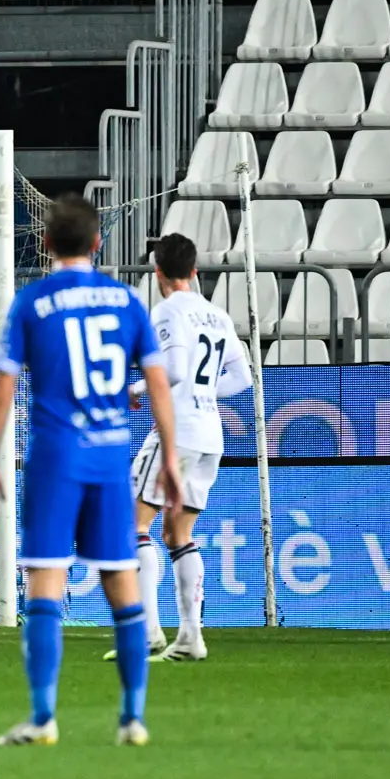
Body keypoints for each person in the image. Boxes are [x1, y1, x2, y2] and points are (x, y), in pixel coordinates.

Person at [0, 194, 183, 747]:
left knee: (45, 580)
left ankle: (43, 718)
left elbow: (2, 390)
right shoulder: (127, 301)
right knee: (121, 580)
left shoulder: (31, 302)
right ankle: (132, 719)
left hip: (56, 457)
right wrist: (169, 457)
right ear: (98, 243)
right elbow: (158, 384)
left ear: (46, 243)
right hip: (111, 458)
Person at [124, 232, 251, 663]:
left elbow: (175, 369)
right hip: (210, 433)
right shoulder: (218, 315)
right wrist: (204, 394)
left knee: (133, 525)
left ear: (157, 272)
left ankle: (148, 633)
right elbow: (243, 378)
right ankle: (191, 638)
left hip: (176, 431)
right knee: (178, 534)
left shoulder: (167, 310)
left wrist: (137, 388)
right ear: (194, 271)